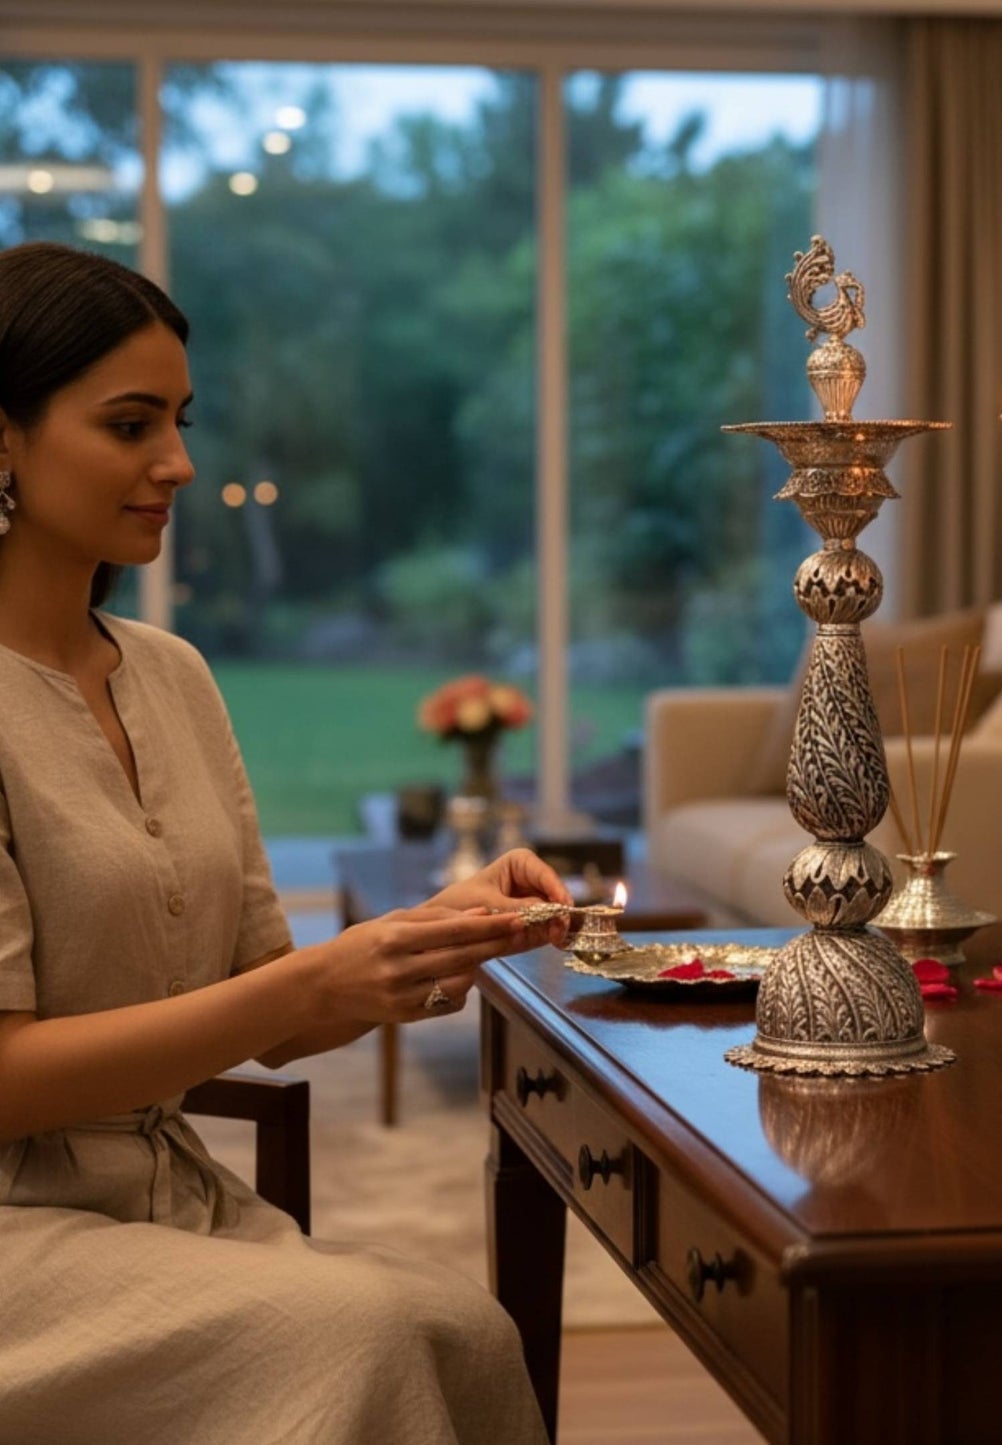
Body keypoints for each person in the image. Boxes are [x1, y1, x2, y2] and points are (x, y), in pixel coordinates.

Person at [0, 241, 570, 1445]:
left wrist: (422, 934)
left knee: (468, 1331)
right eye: (130, 422)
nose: (179, 462)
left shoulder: (174, 675)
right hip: (18, 1239)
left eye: (182, 419)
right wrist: (311, 978)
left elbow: (264, 996)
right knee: (353, 1335)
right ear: (4, 437)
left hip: (163, 1202)